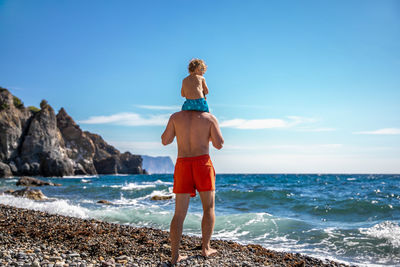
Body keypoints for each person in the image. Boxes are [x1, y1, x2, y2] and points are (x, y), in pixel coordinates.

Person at [161, 110, 224, 264]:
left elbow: (165, 140)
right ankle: (205, 248)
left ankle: (175, 256)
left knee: (179, 213)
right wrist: (205, 135)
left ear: (184, 92)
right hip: (202, 163)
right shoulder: (209, 118)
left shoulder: (175, 117)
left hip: (183, 163)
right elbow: (219, 144)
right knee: (208, 208)